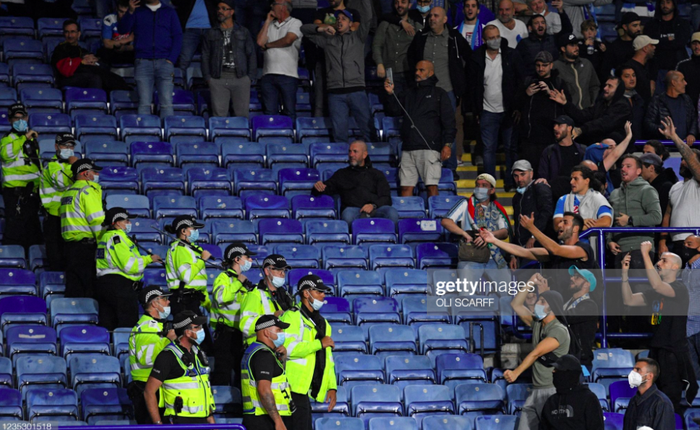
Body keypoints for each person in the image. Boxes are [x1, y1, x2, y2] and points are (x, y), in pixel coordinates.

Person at [622, 243, 698, 414]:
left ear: (675, 267)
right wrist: (624, 275)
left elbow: (657, 285)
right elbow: (629, 300)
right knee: (653, 400)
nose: (658, 263)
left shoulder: (679, 288)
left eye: (664, 261)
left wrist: (644, 253)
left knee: (670, 403)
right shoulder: (655, 291)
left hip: (672, 353)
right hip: (656, 350)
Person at [406, 5, 470, 175]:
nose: (432, 18)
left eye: (436, 15)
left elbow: (469, 59)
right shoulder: (421, 37)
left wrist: (461, 84)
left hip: (448, 90)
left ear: (444, 19)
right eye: (431, 16)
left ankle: (450, 168)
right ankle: (430, 166)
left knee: (449, 127)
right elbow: (411, 59)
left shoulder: (454, 37)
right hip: (424, 91)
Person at [302, 1, 373, 143]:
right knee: (339, 133)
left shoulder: (358, 37)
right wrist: (322, 29)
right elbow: (304, 29)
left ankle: (373, 160)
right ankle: (342, 161)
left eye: (344, 19)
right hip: (335, 92)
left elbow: (369, 16)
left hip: (357, 90)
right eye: (338, 19)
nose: (340, 21)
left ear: (351, 24)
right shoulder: (328, 40)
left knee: (368, 129)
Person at [482, 211, 598, 298]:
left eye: (565, 222)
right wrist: (494, 240)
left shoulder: (583, 249)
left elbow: (556, 249)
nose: (560, 225)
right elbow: (524, 252)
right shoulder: (554, 252)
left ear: (575, 228)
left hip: (578, 308)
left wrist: (532, 228)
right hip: (558, 307)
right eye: (560, 221)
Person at [384, 60, 454, 197]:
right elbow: (394, 110)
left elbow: (449, 122)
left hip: (430, 148)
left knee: (431, 187)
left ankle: (435, 218)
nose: (417, 73)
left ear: (431, 72)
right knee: (405, 188)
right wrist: (390, 94)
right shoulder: (408, 93)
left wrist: (447, 144)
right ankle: (406, 217)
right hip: (408, 148)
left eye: (421, 70)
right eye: (416, 70)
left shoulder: (439, 94)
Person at [468, 25, 523, 191]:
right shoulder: (476, 57)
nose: (496, 40)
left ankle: (510, 182)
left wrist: (518, 107)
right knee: (488, 150)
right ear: (484, 40)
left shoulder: (511, 55)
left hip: (509, 111)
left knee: (510, 149)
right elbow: (473, 87)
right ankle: (489, 185)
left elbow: (520, 82)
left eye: (497, 36)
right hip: (487, 112)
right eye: (491, 37)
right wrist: (477, 111)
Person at [506, 287, 571, 430]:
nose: (537, 303)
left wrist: (516, 372)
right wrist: (530, 283)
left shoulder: (559, 330)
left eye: (542, 301)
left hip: (552, 390)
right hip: (536, 390)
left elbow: (535, 353)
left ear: (552, 306)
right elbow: (516, 304)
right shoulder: (537, 323)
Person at [280, 275, 337, 430]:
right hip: (289, 387)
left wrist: (332, 386)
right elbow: (288, 349)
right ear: (306, 293)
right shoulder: (292, 316)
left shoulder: (323, 323)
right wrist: (319, 343)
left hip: (304, 389)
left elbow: (328, 359)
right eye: (319, 292)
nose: (323, 295)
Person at [96, 207, 162, 330]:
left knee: (109, 326)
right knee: (127, 327)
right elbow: (129, 266)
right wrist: (149, 259)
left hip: (107, 286)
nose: (129, 223)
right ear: (116, 223)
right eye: (126, 221)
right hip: (120, 288)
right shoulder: (117, 239)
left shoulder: (106, 236)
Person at [441, 173, 513, 287]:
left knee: (508, 293)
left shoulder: (497, 209)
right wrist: (464, 233)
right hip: (471, 257)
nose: (480, 188)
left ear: (492, 190)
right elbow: (446, 221)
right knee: (466, 295)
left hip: (494, 258)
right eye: (478, 185)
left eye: (484, 185)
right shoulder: (465, 204)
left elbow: (505, 232)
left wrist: (490, 236)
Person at [144, 311, 215, 425]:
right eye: (197, 327)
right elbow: (149, 391)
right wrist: (158, 424)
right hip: (178, 421)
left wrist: (210, 419)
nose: (202, 329)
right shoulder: (167, 356)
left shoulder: (198, 353)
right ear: (187, 332)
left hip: (202, 420)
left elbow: (203, 387)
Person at [118, 0, 182, 118]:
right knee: (144, 103)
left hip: (165, 62)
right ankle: (144, 134)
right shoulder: (137, 11)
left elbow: (178, 36)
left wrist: (171, 59)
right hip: (143, 62)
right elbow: (123, 30)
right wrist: (130, 12)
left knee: (166, 103)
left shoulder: (169, 11)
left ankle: (167, 135)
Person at [312, 140, 398, 225]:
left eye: (355, 152)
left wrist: (373, 205)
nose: (351, 155)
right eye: (350, 151)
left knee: (391, 212)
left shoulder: (377, 174)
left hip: (375, 209)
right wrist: (317, 187)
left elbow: (386, 198)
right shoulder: (342, 174)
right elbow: (325, 188)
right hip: (354, 211)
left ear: (364, 154)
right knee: (347, 215)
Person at [210, 242, 257, 386]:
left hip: (241, 335)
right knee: (222, 374)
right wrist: (238, 283)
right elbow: (220, 298)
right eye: (247, 257)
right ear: (237, 259)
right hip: (225, 335)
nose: (250, 260)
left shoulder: (243, 280)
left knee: (241, 375)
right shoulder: (223, 278)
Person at [128, 285, 175, 424]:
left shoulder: (156, 325)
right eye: (165, 299)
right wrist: (168, 340)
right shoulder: (147, 327)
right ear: (155, 303)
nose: (168, 302)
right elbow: (147, 359)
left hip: (155, 385)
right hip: (146, 387)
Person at [201, 0, 256, 118]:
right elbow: (205, 56)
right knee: (219, 118)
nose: (220, 11)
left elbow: (251, 54)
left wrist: (249, 78)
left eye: (224, 8)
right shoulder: (211, 33)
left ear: (231, 12)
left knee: (241, 117)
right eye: (219, 8)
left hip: (240, 78)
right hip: (218, 79)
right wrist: (208, 78)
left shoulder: (243, 31)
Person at [607, 155, 663, 269]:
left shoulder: (647, 190)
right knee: (621, 286)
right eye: (622, 166)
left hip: (640, 247)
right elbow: (610, 220)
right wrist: (609, 241)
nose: (623, 169)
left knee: (640, 286)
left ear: (638, 171)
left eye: (628, 166)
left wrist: (630, 220)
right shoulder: (614, 194)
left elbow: (656, 217)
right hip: (619, 249)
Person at [515, 50, 568, 170]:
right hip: (530, 138)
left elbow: (566, 106)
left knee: (549, 171)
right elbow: (515, 104)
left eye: (544, 65)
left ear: (551, 65)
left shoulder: (558, 83)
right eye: (538, 65)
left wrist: (550, 93)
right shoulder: (528, 82)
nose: (540, 68)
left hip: (551, 137)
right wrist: (526, 94)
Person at [1, 102, 42, 253]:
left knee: (33, 232)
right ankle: (8, 262)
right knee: (14, 231)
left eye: (22, 117)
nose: (20, 120)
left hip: (32, 193)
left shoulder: (31, 140)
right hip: (14, 194)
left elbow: (36, 166)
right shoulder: (7, 139)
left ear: (27, 117)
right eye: (16, 118)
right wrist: (24, 137)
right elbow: (7, 155)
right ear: (10, 120)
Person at [658, 117, 700, 263]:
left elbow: (694, 165)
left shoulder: (698, 183)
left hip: (695, 241)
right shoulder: (675, 186)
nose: (683, 162)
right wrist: (662, 241)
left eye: (686, 160)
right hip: (675, 243)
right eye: (682, 159)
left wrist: (675, 138)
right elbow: (667, 215)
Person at [241, 315, 294, 430]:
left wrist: (283, 358)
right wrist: (278, 421)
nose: (282, 333)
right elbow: (264, 390)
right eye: (278, 330)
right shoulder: (263, 355)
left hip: (259, 416)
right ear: (266, 332)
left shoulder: (255, 350)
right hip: (264, 419)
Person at [60, 159, 104, 298]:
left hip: (69, 247)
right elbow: (96, 220)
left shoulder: (68, 192)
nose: (97, 174)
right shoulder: (88, 190)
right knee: (90, 288)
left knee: (74, 287)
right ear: (85, 174)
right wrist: (102, 243)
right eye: (94, 172)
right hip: (86, 248)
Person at [51, 19, 131, 91]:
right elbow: (64, 69)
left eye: (72, 32)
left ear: (79, 34)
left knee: (112, 77)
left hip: (84, 75)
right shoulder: (60, 49)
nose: (70, 35)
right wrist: (81, 62)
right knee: (95, 78)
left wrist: (95, 61)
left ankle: (124, 94)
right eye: (67, 32)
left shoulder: (82, 50)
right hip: (67, 78)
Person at [550, 75, 631, 146]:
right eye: (606, 85)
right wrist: (565, 103)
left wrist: (582, 129)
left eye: (610, 86)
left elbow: (605, 123)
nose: (605, 88)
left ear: (618, 90)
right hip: (597, 143)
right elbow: (583, 115)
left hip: (616, 145)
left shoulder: (623, 105)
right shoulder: (601, 103)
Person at [257, 0, 303, 119]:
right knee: (269, 112)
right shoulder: (269, 25)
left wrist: (268, 45)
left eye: (274, 4)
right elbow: (259, 42)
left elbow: (288, 40)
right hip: (268, 74)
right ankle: (271, 136)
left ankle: (289, 136)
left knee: (289, 111)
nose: (271, 6)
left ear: (282, 8)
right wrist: (267, 21)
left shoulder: (295, 22)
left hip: (288, 75)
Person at [40, 132, 77, 272]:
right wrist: (76, 166)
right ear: (57, 146)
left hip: (72, 218)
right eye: (64, 145)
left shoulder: (73, 165)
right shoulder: (52, 166)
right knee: (56, 257)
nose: (68, 148)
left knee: (71, 257)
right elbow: (62, 182)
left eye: (71, 146)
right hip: (55, 217)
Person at [239, 254, 295, 345]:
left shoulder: (284, 294)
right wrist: (272, 318)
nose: (282, 273)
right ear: (267, 271)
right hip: (259, 347)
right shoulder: (255, 294)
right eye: (278, 269)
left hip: (278, 347)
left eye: (284, 270)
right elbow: (245, 324)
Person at [373, 0, 422, 100]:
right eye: (396, 3)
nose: (399, 5)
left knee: (410, 107)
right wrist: (379, 63)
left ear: (409, 5)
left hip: (409, 73)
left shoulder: (415, 24)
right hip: (391, 73)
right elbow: (377, 45)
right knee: (393, 107)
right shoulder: (385, 24)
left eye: (403, 2)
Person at [540, 355, 604, 429]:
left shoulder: (588, 399)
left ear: (569, 374)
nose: (553, 372)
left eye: (557, 370)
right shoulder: (551, 401)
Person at [164, 215, 211, 317]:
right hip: (183, 300)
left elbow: (198, 279)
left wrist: (207, 302)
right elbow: (186, 276)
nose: (196, 231)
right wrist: (202, 260)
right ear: (183, 231)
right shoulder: (180, 249)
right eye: (193, 228)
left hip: (192, 299)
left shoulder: (191, 249)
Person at [510, 159, 553, 267]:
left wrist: (534, 236)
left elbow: (546, 213)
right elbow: (517, 226)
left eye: (522, 174)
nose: (519, 179)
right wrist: (513, 254)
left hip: (538, 246)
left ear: (531, 173)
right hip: (523, 247)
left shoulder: (540, 187)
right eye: (516, 176)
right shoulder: (517, 197)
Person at [643, 0, 692, 88]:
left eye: (668, 2)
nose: (665, 5)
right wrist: (669, 40)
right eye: (662, 3)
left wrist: (660, 41)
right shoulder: (651, 25)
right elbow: (649, 43)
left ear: (674, 4)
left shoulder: (683, 24)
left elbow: (680, 42)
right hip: (656, 69)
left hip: (677, 68)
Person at [553, 164, 613, 231]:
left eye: (576, 179)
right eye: (571, 179)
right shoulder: (563, 200)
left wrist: (577, 228)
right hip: (567, 241)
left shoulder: (598, 198)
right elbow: (557, 225)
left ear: (586, 181)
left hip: (590, 241)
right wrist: (580, 222)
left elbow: (606, 222)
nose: (571, 182)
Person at [538, 115, 585, 199]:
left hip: (578, 194)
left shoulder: (582, 150)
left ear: (569, 128)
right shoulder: (549, 151)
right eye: (554, 125)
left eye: (559, 125)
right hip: (555, 194)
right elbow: (543, 175)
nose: (555, 128)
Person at [622, 358, 676, 430]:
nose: (633, 372)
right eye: (633, 369)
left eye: (638, 370)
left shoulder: (661, 403)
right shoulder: (633, 401)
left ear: (649, 376)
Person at [645, 71, 697, 144]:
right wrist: (663, 130)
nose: (685, 83)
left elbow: (694, 118)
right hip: (665, 147)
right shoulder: (658, 101)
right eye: (682, 80)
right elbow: (648, 124)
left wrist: (692, 133)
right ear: (673, 82)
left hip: (686, 147)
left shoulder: (687, 100)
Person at [563, 266, 598, 368]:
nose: (571, 278)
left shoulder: (589, 306)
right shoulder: (568, 302)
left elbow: (566, 317)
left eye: (577, 277)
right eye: (573, 276)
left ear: (587, 284)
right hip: (569, 359)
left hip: (580, 362)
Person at [171, 0, 218, 78]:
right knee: (184, 59)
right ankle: (180, 85)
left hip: (210, 28)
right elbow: (176, 2)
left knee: (211, 59)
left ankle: (212, 86)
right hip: (190, 28)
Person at [553, 32, 600, 110]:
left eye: (576, 44)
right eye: (572, 45)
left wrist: (593, 103)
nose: (576, 48)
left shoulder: (586, 63)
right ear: (563, 49)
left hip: (587, 112)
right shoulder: (555, 66)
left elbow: (594, 86)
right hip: (567, 114)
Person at [601, 12, 641, 79]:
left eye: (639, 25)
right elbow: (606, 70)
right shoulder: (614, 47)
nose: (639, 29)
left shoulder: (642, 45)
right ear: (625, 27)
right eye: (635, 25)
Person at [98, 0, 135, 67]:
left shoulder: (136, 19)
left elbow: (137, 45)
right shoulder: (109, 19)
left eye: (126, 12)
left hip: (129, 50)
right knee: (103, 53)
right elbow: (107, 44)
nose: (124, 15)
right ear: (116, 9)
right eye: (121, 11)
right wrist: (128, 39)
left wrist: (124, 47)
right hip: (113, 51)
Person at [621, 35, 658, 104]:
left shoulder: (647, 65)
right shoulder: (629, 67)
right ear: (645, 48)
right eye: (652, 45)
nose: (654, 47)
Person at [683, 235, 700, 378]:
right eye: (684, 244)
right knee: (693, 374)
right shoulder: (685, 269)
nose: (685, 247)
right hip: (687, 327)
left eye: (690, 244)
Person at [640, 153, 675, 218]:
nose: (639, 171)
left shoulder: (666, 187)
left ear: (651, 168)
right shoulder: (648, 186)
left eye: (641, 168)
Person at [618, 64, 645, 142]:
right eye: (627, 76)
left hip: (638, 141)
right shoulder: (614, 99)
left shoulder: (639, 99)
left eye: (633, 75)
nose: (632, 78)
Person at [675, 32, 700, 108]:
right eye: (694, 44)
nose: (697, 47)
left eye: (699, 43)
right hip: (688, 107)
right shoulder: (682, 65)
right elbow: (676, 89)